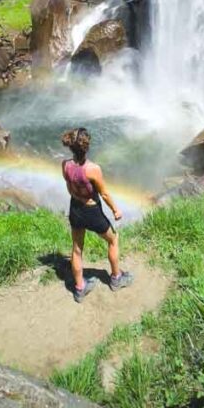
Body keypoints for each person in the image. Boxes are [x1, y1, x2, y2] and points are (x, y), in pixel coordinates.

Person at [61, 127, 133, 303]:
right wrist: (116, 210)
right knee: (113, 239)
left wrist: (77, 198)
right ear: (86, 146)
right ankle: (116, 278)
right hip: (92, 211)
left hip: (75, 209)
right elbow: (104, 194)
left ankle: (79, 288)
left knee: (77, 249)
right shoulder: (93, 169)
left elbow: (69, 188)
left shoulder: (65, 165)